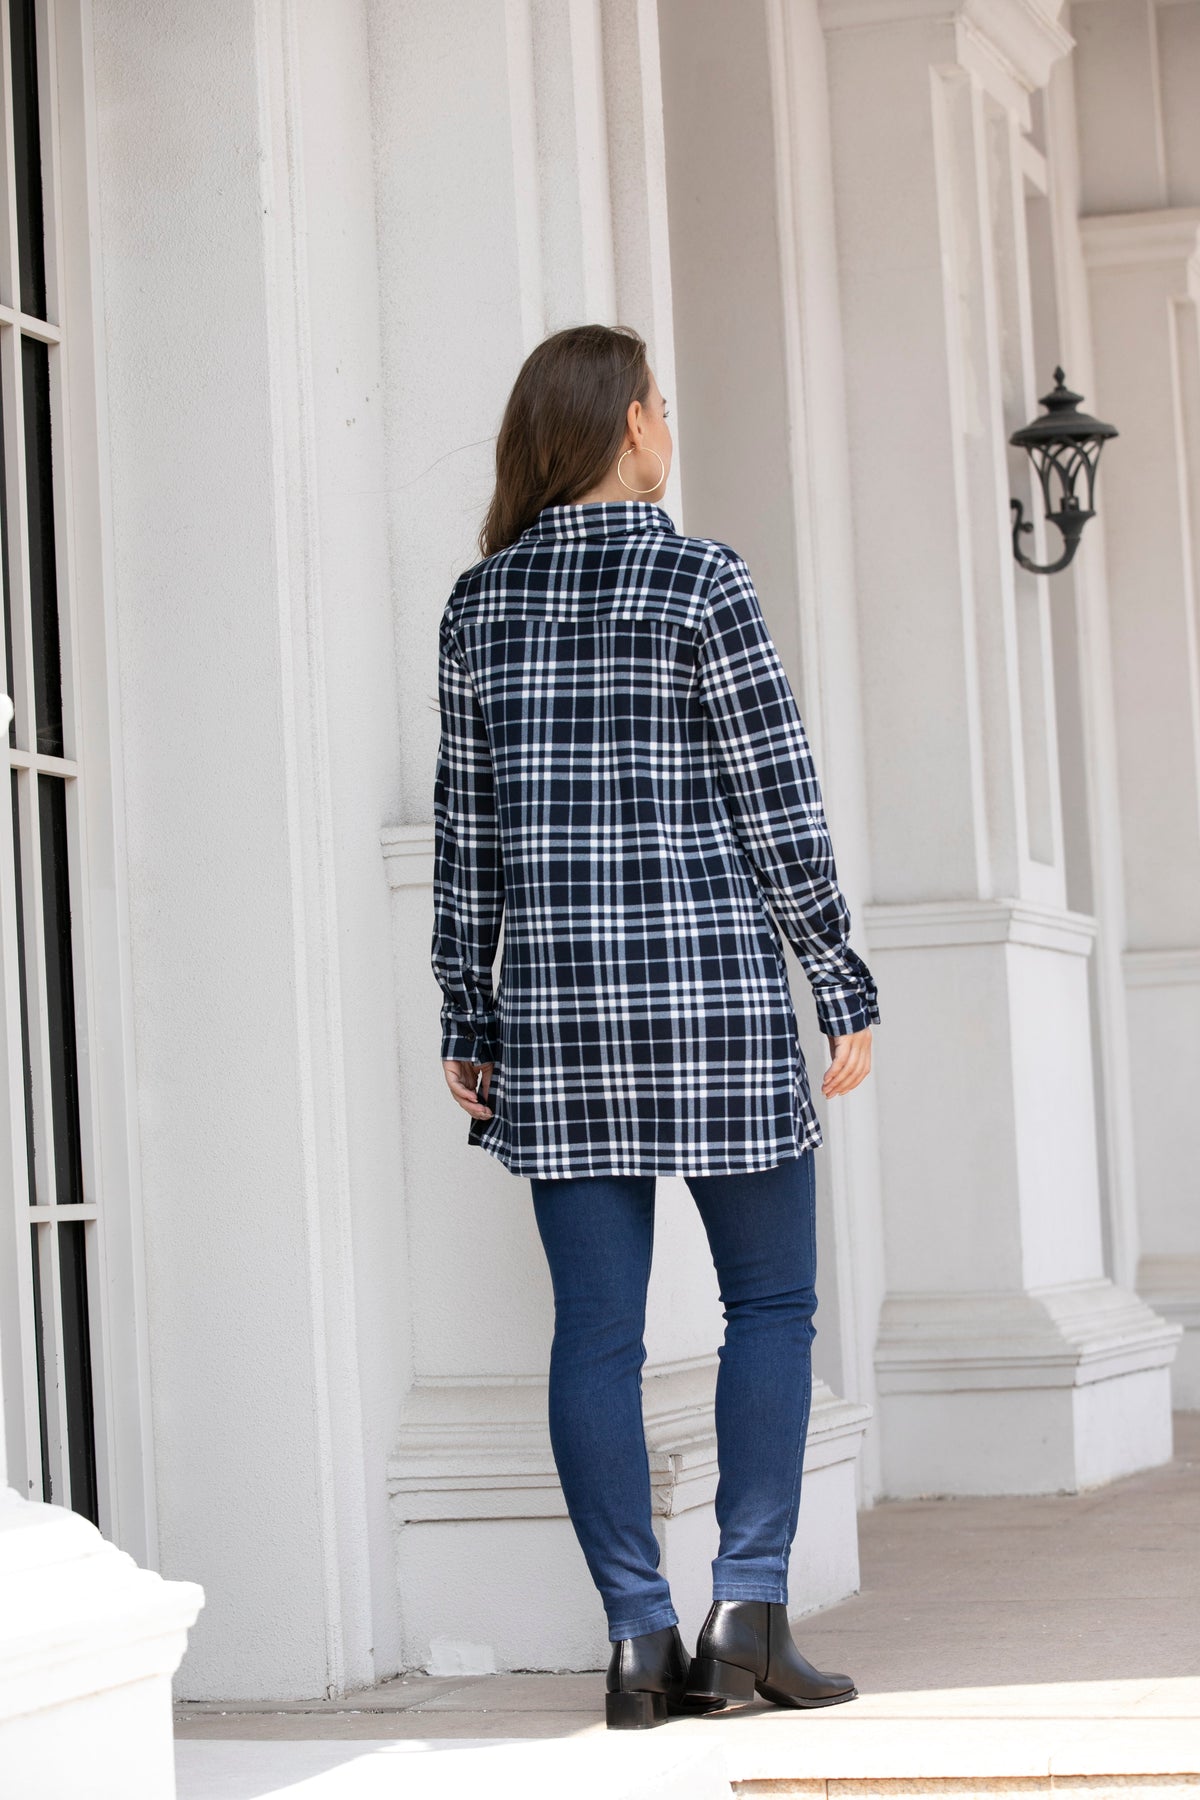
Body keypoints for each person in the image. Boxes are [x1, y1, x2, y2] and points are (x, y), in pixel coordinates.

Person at [431, 323, 879, 1731]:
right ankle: (746, 1613)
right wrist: (837, 974)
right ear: (630, 425)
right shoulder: (701, 577)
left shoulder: (480, 603)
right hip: (711, 1002)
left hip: (559, 1015)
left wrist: (466, 1005)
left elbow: (466, 833)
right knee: (773, 1305)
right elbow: (775, 796)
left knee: (596, 1336)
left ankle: (638, 1639)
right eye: (663, 405)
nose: (669, 427)